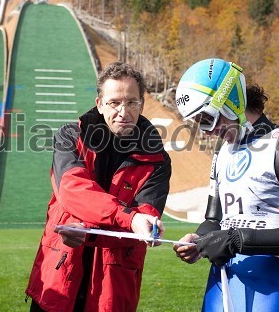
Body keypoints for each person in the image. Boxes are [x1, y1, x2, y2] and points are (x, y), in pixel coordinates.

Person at [173, 58, 279, 312]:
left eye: (208, 118)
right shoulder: (222, 153)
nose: (206, 132)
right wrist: (198, 239)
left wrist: (236, 240)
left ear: (231, 100)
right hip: (222, 281)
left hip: (273, 286)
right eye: (198, 122)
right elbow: (214, 219)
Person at [26, 61, 172, 312]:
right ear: (100, 104)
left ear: (142, 105)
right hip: (59, 275)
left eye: (131, 102)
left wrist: (144, 226)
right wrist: (130, 218)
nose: (123, 111)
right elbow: (73, 190)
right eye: (114, 102)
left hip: (112, 289)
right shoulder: (70, 136)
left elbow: (144, 221)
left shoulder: (158, 159)